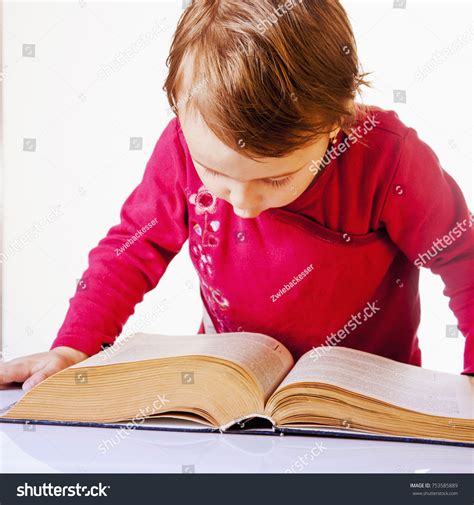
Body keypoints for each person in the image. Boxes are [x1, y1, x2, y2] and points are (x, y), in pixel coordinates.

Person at [1, 0, 472, 392]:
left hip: (369, 406)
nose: (243, 203)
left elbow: (463, 262)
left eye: (275, 179)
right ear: (180, 112)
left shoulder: (388, 158)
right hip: (233, 396)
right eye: (216, 174)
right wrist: (73, 347)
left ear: (336, 121)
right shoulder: (182, 149)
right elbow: (129, 251)